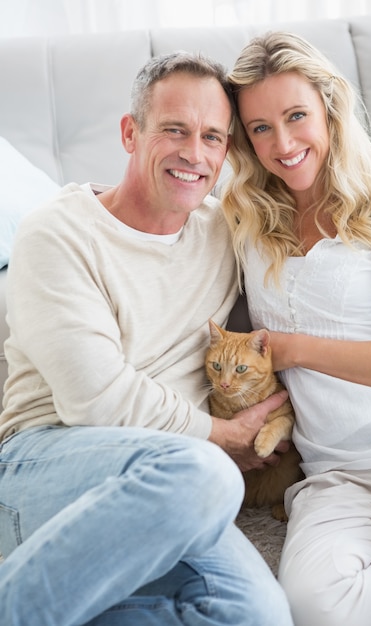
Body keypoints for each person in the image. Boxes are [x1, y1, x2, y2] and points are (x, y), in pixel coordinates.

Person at [0, 51, 294, 626]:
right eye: (175, 130)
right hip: (43, 461)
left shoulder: (223, 234)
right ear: (130, 133)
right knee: (204, 470)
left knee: (257, 614)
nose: (194, 153)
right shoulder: (56, 234)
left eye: (213, 137)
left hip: (172, 487)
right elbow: (94, 399)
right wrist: (222, 435)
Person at [222, 30, 371, 626]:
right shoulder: (242, 228)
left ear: (329, 108)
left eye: (296, 116)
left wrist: (296, 349)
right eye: (260, 128)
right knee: (313, 608)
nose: (282, 143)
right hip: (336, 474)